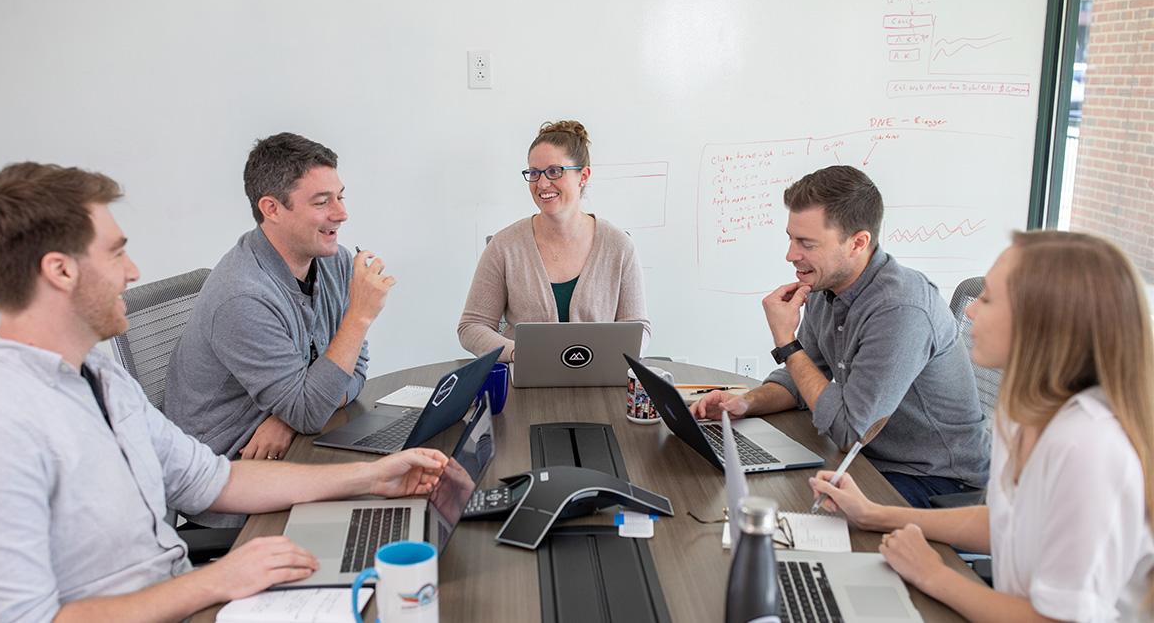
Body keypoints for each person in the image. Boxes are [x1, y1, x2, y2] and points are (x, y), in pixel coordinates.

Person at [0, 162, 447, 623]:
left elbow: (212, 479)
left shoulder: (97, 377)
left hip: (181, 596)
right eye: (116, 253)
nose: (132, 271)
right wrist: (219, 578)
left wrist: (371, 477)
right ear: (60, 271)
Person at [809, 230, 1154, 622]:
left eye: (988, 299)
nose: (970, 311)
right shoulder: (1026, 413)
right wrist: (874, 514)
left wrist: (933, 574)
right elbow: (1010, 525)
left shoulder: (1088, 444)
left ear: (1042, 322)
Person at [691, 165, 989, 508]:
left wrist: (786, 341)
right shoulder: (825, 286)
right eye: (791, 238)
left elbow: (850, 432)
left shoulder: (900, 309)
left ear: (857, 243)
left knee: (795, 514)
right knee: (749, 490)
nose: (790, 255)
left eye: (806, 243)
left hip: (937, 480)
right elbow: (800, 378)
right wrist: (745, 403)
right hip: (868, 459)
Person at [164, 133, 394, 527]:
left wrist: (290, 416)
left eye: (340, 197)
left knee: (403, 478)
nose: (341, 214)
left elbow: (355, 369)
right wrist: (358, 317)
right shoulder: (242, 295)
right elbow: (311, 409)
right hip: (233, 474)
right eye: (321, 202)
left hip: (295, 441)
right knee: (377, 509)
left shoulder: (335, 261)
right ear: (271, 208)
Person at [457, 120, 651, 362]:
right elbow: (472, 326)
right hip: (525, 377)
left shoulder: (619, 246)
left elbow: (638, 328)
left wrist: (605, 357)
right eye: (534, 173)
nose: (542, 183)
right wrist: (518, 353)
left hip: (599, 379)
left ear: (583, 176)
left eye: (554, 171)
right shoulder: (504, 246)